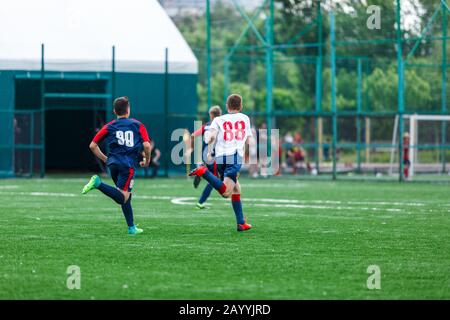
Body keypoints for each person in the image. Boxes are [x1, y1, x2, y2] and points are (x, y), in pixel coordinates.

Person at [81, 96, 152, 235]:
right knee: (122, 197)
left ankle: (131, 228)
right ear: (128, 110)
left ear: (115, 111)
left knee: (126, 195)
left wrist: (105, 159)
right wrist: (147, 160)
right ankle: (98, 183)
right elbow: (147, 145)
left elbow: (92, 145)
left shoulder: (109, 126)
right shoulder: (138, 125)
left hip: (113, 165)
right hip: (127, 165)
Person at [189, 94, 253, 232]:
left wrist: (209, 151)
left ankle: (241, 222)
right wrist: (245, 154)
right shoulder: (245, 118)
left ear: (227, 106)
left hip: (220, 158)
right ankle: (203, 172)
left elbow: (211, 136)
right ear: (241, 106)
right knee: (226, 192)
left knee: (236, 188)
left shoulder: (218, 119)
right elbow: (248, 141)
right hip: (234, 157)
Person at [191, 105, 222, 209]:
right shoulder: (222, 126)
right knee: (214, 180)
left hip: (205, 155)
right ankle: (201, 202)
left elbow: (193, 135)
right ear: (220, 114)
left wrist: (192, 148)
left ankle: (201, 173)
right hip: (215, 156)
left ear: (211, 115)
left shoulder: (206, 126)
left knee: (214, 178)